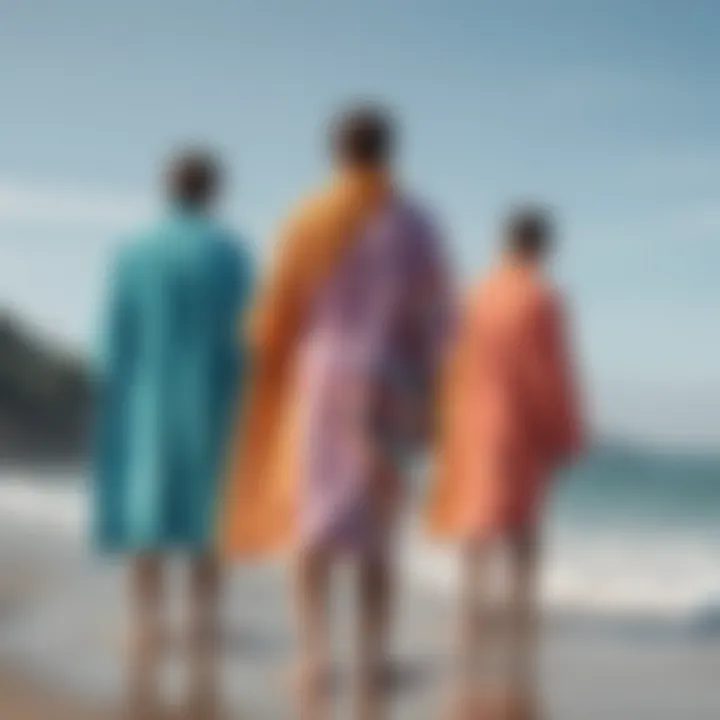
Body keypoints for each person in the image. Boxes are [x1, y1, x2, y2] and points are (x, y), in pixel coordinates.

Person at [222, 105, 451, 713]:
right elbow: (438, 320)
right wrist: (436, 393)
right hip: (393, 384)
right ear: (391, 150)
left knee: (311, 522)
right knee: (379, 532)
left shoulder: (309, 215)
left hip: (321, 380)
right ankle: (371, 660)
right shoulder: (419, 223)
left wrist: (264, 351)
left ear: (334, 153)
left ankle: (314, 656)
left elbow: (274, 307)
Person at [93, 151, 254, 714]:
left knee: (148, 511)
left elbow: (116, 334)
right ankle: (203, 624)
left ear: (166, 187)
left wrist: (113, 391)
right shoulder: (232, 254)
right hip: (215, 396)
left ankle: (146, 624)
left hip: (149, 395)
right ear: (215, 191)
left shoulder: (134, 252)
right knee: (212, 513)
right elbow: (247, 335)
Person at [426, 209, 583, 717]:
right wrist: (563, 432)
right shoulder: (540, 296)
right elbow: (550, 370)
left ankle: (469, 612)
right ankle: (518, 616)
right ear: (543, 247)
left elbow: (445, 357)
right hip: (515, 420)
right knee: (520, 524)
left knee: (476, 520)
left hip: (467, 417)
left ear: (502, 242)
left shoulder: (471, 293)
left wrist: (439, 418)